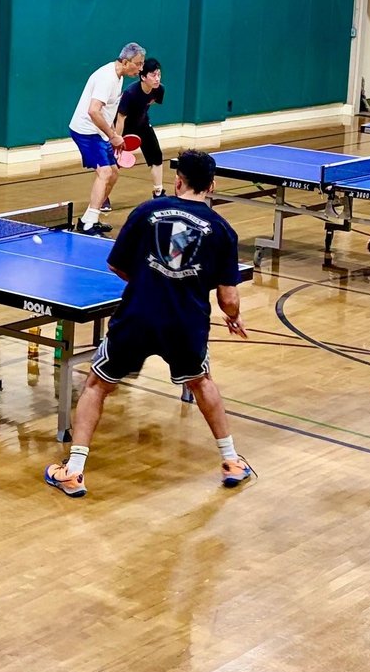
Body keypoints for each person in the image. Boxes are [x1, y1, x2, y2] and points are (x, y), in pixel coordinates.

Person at [44, 149, 253, 498]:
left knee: (97, 384)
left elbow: (118, 266)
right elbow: (228, 298)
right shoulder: (222, 230)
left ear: (178, 181)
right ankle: (231, 461)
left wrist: (149, 281)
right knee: (202, 382)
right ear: (212, 186)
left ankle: (74, 471)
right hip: (185, 325)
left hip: (138, 316)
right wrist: (233, 317)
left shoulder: (147, 211)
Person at [68, 43, 146, 235]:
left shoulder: (118, 75)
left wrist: (113, 134)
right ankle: (88, 224)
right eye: (138, 64)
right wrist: (112, 136)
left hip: (98, 132)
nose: (141, 68)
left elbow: (105, 111)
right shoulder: (107, 78)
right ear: (126, 62)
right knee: (104, 173)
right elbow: (93, 111)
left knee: (113, 173)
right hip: (86, 131)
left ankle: (88, 217)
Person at [116, 57, 167, 198]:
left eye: (159, 74)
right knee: (112, 163)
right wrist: (116, 139)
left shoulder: (159, 90)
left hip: (143, 125)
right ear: (143, 77)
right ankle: (103, 197)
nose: (157, 78)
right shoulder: (130, 93)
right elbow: (120, 118)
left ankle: (158, 192)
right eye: (153, 75)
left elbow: (150, 103)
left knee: (156, 155)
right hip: (124, 127)